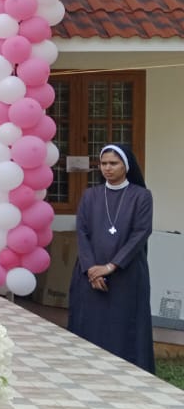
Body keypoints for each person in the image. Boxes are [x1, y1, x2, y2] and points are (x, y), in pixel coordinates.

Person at [68, 144, 154, 373]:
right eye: (103, 163)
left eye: (113, 163)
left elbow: (141, 233)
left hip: (126, 275)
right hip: (90, 275)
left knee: (123, 328)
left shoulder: (141, 196)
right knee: (90, 325)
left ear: (126, 166)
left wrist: (110, 266)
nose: (107, 168)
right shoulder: (90, 195)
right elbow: (82, 232)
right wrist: (90, 269)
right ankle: (85, 370)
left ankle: (128, 373)